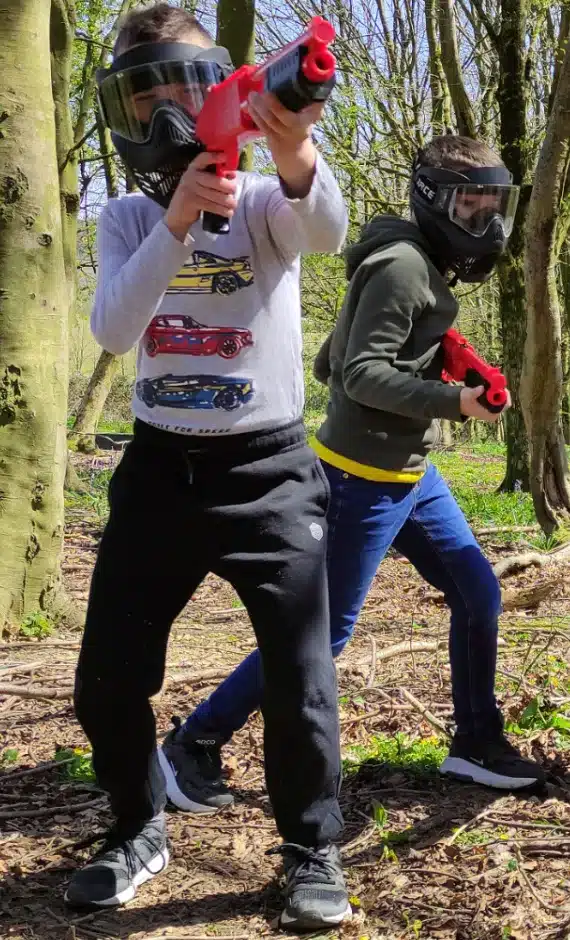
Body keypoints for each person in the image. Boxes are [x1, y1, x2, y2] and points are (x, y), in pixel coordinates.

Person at [65, 3, 352, 931]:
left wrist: (296, 152)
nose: (164, 118)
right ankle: (137, 826)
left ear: (219, 92)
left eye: (181, 92)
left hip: (268, 473)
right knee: (108, 677)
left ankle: (311, 850)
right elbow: (114, 327)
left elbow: (327, 233)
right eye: (141, 98)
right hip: (158, 474)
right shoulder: (124, 215)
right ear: (121, 108)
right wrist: (179, 219)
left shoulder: (269, 203)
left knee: (301, 677)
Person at [164, 134, 545, 817]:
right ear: (434, 203)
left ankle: (477, 741)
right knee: (323, 634)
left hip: (408, 470)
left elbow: (331, 354)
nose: (486, 222)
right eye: (472, 206)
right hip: (362, 476)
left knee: (477, 592)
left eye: (495, 206)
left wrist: (448, 355)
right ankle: (194, 742)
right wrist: (452, 401)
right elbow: (358, 374)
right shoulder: (401, 265)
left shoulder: (418, 262)